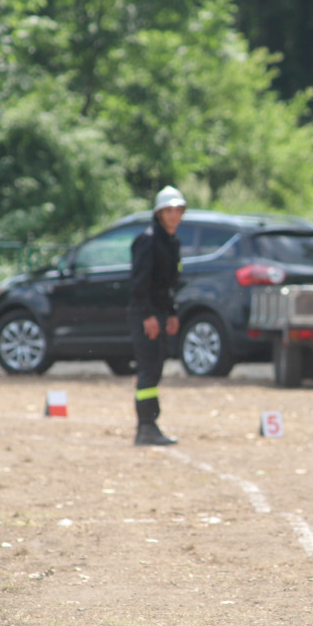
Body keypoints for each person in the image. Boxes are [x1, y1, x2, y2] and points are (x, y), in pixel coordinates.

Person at [129, 186, 186, 446]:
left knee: (155, 370)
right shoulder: (148, 240)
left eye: (177, 210)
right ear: (159, 213)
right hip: (146, 315)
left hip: (160, 313)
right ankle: (146, 427)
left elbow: (168, 285)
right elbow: (140, 283)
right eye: (168, 211)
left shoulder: (172, 241)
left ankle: (150, 426)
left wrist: (171, 313)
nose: (173, 215)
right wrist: (148, 316)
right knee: (148, 371)